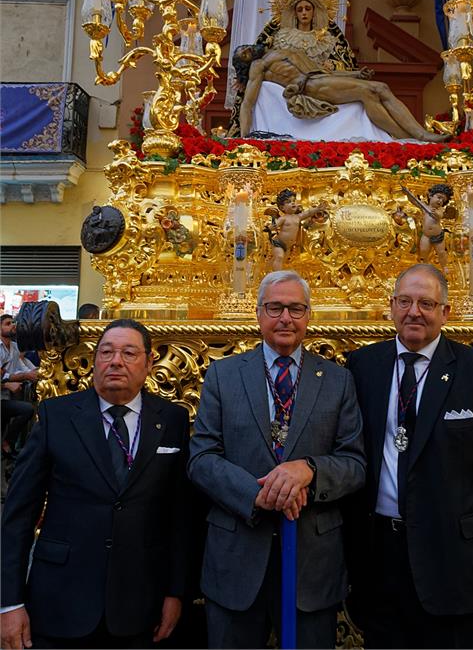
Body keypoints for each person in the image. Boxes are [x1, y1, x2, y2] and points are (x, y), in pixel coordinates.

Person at [345, 264, 473, 649]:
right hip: (381, 558)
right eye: (405, 301)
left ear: (445, 312)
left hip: (457, 563)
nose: (415, 311)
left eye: (426, 303)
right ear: (391, 307)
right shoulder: (363, 366)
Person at [188, 270, 366, 649]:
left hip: (311, 565)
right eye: (275, 308)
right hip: (236, 556)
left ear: (308, 316)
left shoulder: (338, 380)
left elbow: (355, 464)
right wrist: (256, 494)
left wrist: (310, 471)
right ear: (258, 314)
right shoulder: (224, 375)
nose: (286, 318)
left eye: (296, 309)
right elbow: (201, 458)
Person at [0, 318, 190, 650]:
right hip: (61, 600)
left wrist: (175, 591)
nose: (116, 361)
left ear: (148, 364)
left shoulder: (171, 420)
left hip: (140, 603)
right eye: (106, 352)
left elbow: (179, 516)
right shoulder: (56, 415)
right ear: (95, 361)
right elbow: (18, 515)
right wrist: (9, 603)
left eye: (129, 353)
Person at [231, 0, 447, 142]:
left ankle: (414, 134)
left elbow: (323, 70)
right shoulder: (259, 67)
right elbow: (248, 104)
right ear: (245, 63)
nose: (248, 49)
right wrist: (244, 138)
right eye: (244, 53)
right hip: (311, 87)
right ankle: (413, 136)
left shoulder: (281, 51)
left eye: (246, 47)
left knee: (379, 88)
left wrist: (355, 74)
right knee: (372, 91)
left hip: (319, 78)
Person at [0, 315, 37, 458]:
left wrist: (32, 373)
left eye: (13, 323)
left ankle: (7, 445)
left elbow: (15, 370)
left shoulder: (15, 347)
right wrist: (24, 377)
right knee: (26, 409)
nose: (12, 326)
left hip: (6, 397)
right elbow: (6, 376)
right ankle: (7, 444)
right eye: (8, 324)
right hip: (2, 396)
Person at [265, 189, 328, 270]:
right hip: (279, 243)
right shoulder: (284, 218)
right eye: (288, 202)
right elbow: (275, 224)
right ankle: (277, 276)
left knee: (281, 260)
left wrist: (317, 209)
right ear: (282, 207)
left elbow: (308, 213)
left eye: (294, 200)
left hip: (288, 246)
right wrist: (270, 227)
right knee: (279, 257)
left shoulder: (298, 217)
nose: (293, 203)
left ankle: (266, 269)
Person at [400, 183, 455, 273]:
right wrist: (407, 193)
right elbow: (414, 201)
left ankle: (444, 266)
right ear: (431, 196)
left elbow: (438, 216)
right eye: (439, 197)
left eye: (443, 200)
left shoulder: (439, 209)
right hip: (426, 235)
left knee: (441, 252)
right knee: (424, 251)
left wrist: (435, 213)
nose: (440, 201)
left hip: (437, 235)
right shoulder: (425, 207)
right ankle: (425, 265)